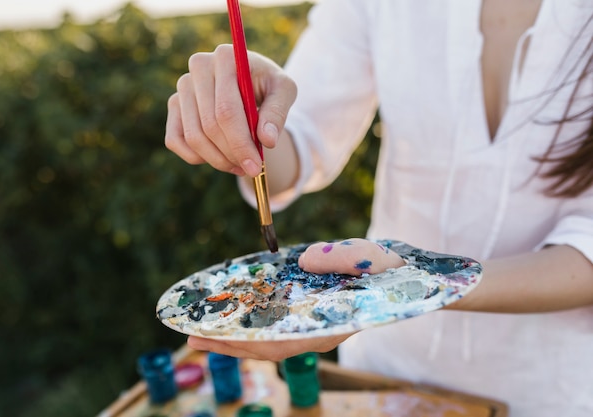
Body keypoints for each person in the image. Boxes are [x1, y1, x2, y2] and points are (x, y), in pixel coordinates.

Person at [165, 0, 593, 415]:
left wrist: (418, 280)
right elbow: (297, 144)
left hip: (549, 388)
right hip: (383, 378)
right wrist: (243, 120)